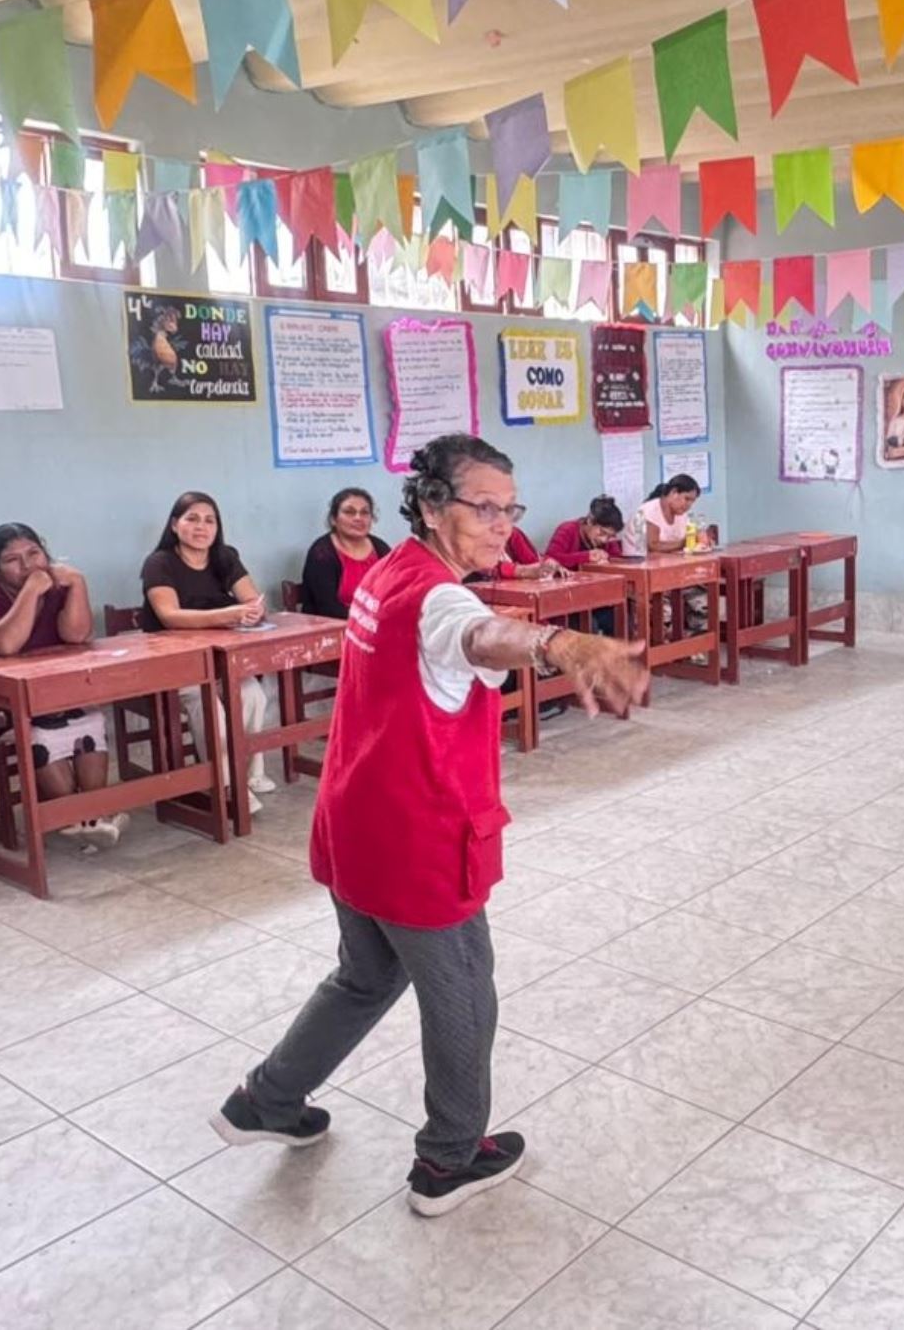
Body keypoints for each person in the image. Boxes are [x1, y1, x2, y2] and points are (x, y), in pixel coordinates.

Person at [209, 434, 647, 1217]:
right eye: (484, 507)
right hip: (416, 838)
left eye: (510, 508)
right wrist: (558, 642)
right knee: (465, 991)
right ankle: (449, 1157)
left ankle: (266, 1099)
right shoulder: (441, 598)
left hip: (355, 823)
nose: (502, 524)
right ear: (434, 506)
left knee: (366, 974)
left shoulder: (387, 571)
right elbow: (478, 634)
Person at [0, 524, 125, 852]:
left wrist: (78, 583)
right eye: (12, 560)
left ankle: (91, 816)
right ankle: (75, 817)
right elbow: (5, 644)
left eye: (34, 554)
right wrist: (31, 591)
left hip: (51, 690)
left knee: (89, 719)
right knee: (36, 731)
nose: (27, 565)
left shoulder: (58, 586)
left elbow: (77, 636)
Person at [142, 491, 273, 812]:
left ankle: (249, 774)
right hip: (177, 663)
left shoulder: (224, 557)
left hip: (221, 659)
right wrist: (227, 614)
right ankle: (225, 785)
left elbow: (251, 598)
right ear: (175, 525)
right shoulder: (159, 563)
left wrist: (253, 611)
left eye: (209, 520)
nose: (201, 527)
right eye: (192, 519)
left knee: (252, 694)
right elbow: (169, 616)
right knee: (208, 706)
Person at [300, 489, 390, 620]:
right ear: (333, 519)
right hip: (333, 625)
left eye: (364, 512)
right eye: (349, 512)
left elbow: (395, 593)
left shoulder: (381, 548)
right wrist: (368, 621)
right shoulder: (322, 553)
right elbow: (327, 608)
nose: (358, 518)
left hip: (377, 623)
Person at [622, 474, 700, 557]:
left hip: (669, 560)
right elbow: (653, 546)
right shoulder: (647, 512)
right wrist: (683, 543)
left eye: (692, 501)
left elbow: (688, 536)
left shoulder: (681, 513)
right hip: (638, 561)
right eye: (687, 499)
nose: (689, 505)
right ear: (674, 492)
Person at [545, 496, 624, 570]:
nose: (604, 540)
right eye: (602, 532)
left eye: (610, 536)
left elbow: (617, 560)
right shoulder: (568, 529)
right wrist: (586, 557)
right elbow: (550, 559)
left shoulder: (609, 540)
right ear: (590, 521)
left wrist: (607, 559)